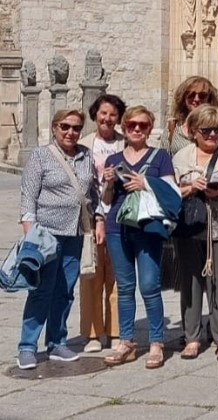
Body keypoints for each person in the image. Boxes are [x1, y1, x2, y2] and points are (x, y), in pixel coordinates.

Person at [16, 110, 97, 370]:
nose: (70, 132)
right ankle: (27, 346)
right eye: (65, 127)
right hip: (46, 233)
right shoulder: (40, 156)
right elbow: (28, 195)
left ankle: (57, 341)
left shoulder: (86, 155)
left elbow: (91, 191)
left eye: (76, 127)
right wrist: (30, 234)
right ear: (54, 128)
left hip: (75, 232)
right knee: (41, 290)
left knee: (65, 290)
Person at [99, 106, 175, 369]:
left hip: (148, 227)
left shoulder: (160, 156)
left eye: (143, 125)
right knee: (125, 287)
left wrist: (146, 184)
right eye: (131, 124)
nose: (137, 129)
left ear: (150, 127)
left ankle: (156, 342)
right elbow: (107, 201)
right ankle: (126, 340)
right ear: (124, 126)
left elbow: (172, 191)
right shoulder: (114, 159)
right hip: (116, 227)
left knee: (149, 286)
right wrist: (108, 183)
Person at [173, 105, 218, 361]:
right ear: (193, 132)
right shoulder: (181, 157)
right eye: (207, 130)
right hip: (190, 230)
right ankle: (191, 337)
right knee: (190, 285)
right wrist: (190, 187)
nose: (213, 135)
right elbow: (170, 192)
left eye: (217, 129)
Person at [162, 76, 218, 294]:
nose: (196, 99)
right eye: (191, 95)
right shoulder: (172, 129)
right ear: (183, 98)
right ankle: (191, 326)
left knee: (216, 271)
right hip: (184, 203)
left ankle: (215, 323)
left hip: (213, 204)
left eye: (203, 95)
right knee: (187, 274)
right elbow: (164, 164)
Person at [78, 94, 127, 354]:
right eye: (103, 113)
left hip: (119, 217)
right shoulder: (84, 145)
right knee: (91, 275)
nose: (107, 118)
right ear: (95, 114)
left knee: (118, 276)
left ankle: (117, 330)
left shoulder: (126, 143)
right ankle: (94, 333)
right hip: (90, 219)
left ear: (119, 118)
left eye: (113, 114)